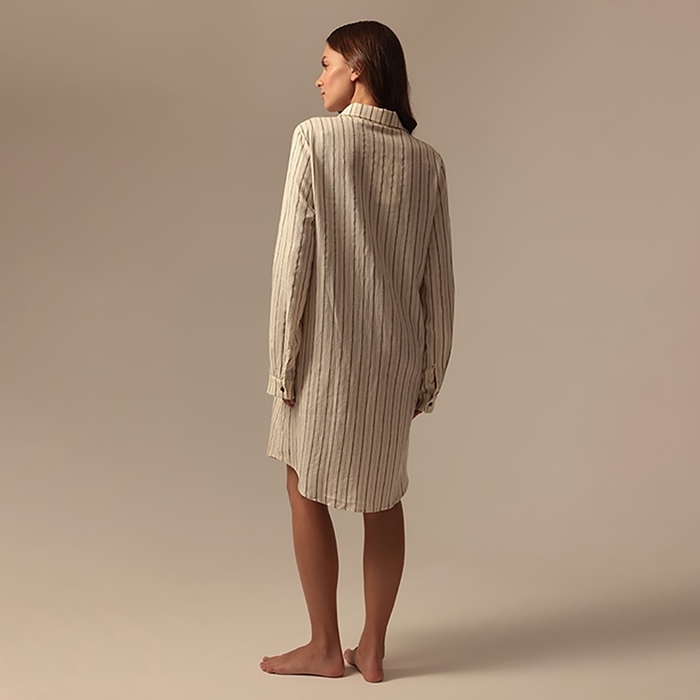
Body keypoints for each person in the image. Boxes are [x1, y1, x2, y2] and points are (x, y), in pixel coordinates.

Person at [261, 20, 455, 683]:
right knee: (383, 498)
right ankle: (371, 650)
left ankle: (325, 645)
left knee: (302, 482)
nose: (318, 78)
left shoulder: (314, 140)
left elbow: (292, 262)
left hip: (323, 359)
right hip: (394, 363)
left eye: (326, 64)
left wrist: (282, 360)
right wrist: (428, 376)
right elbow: (438, 281)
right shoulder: (427, 162)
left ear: (359, 67)